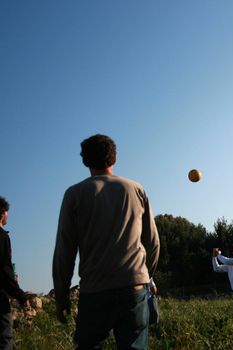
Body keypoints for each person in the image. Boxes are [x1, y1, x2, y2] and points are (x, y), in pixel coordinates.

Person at [53, 134, 160, 349]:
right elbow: (153, 243)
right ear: (114, 159)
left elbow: (65, 251)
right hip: (134, 289)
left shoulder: (74, 195)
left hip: (94, 292)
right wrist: (146, 277)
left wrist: (62, 297)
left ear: (85, 161)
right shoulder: (136, 190)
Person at [0, 196, 29, 349]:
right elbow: (4, 271)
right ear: (2, 213)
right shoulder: (3, 237)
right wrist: (20, 295)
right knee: (5, 339)